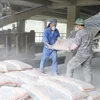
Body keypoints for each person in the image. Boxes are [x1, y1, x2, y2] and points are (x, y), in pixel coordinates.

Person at [66, 18, 93, 83]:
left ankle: (68, 82)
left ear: (79, 25)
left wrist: (70, 48)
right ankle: (89, 85)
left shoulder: (79, 33)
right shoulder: (90, 32)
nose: (76, 27)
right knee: (87, 69)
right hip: (89, 54)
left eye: (76, 25)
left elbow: (76, 44)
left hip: (81, 54)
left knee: (70, 65)